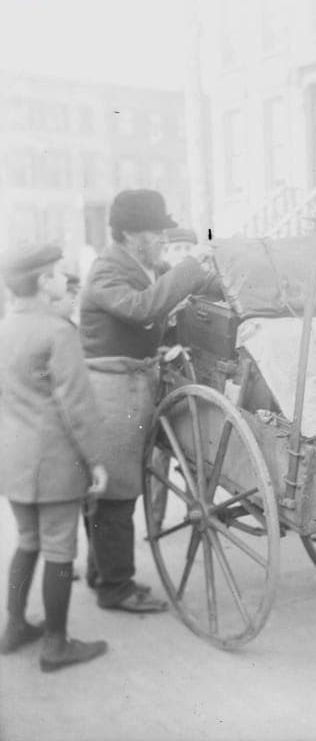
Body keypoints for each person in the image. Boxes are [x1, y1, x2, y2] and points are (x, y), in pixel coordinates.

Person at [79, 189, 220, 613]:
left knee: (114, 486)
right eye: (155, 232)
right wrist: (194, 266)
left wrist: (225, 269)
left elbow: (183, 282)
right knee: (117, 491)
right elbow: (145, 308)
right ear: (130, 234)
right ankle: (115, 586)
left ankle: (100, 571)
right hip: (111, 389)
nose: (162, 238)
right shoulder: (106, 272)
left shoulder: (143, 263)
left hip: (133, 382)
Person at [0, 244, 109, 672]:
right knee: (61, 548)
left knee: (27, 542)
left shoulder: (5, 328)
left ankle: (13, 627)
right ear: (45, 282)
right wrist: (97, 459)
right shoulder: (58, 331)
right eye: (60, 273)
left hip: (13, 458)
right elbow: (77, 407)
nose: (65, 279)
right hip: (54, 460)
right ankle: (56, 644)